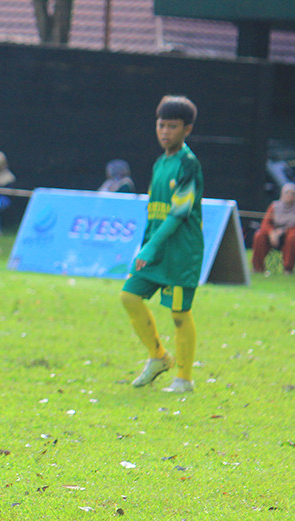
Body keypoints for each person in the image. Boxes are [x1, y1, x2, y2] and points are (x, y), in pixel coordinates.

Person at [120, 95, 203, 394]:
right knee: (129, 296)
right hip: (155, 247)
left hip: (181, 251)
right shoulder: (160, 163)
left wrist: (151, 247)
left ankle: (184, 379)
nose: (165, 131)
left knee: (179, 314)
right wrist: (145, 246)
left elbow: (179, 213)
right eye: (161, 125)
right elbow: (155, 211)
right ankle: (158, 357)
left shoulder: (188, 164)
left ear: (187, 129)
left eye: (172, 126)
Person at [252, 182, 295, 274]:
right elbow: (265, 223)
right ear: (282, 194)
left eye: (293, 194)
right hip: (273, 235)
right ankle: (257, 267)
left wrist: (283, 231)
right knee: (259, 235)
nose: (290, 196)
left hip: (290, 234)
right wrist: (271, 233)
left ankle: (288, 268)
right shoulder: (274, 206)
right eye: (287, 193)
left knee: (293, 237)